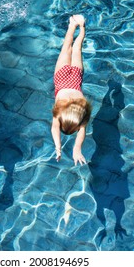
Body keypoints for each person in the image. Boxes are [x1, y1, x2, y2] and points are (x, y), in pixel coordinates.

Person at [51, 14, 92, 166]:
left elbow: (82, 132)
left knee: (76, 49)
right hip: (61, 79)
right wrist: (58, 147)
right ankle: (72, 26)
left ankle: (81, 27)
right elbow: (55, 129)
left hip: (76, 79)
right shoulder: (59, 113)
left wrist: (77, 148)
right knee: (66, 48)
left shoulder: (81, 113)